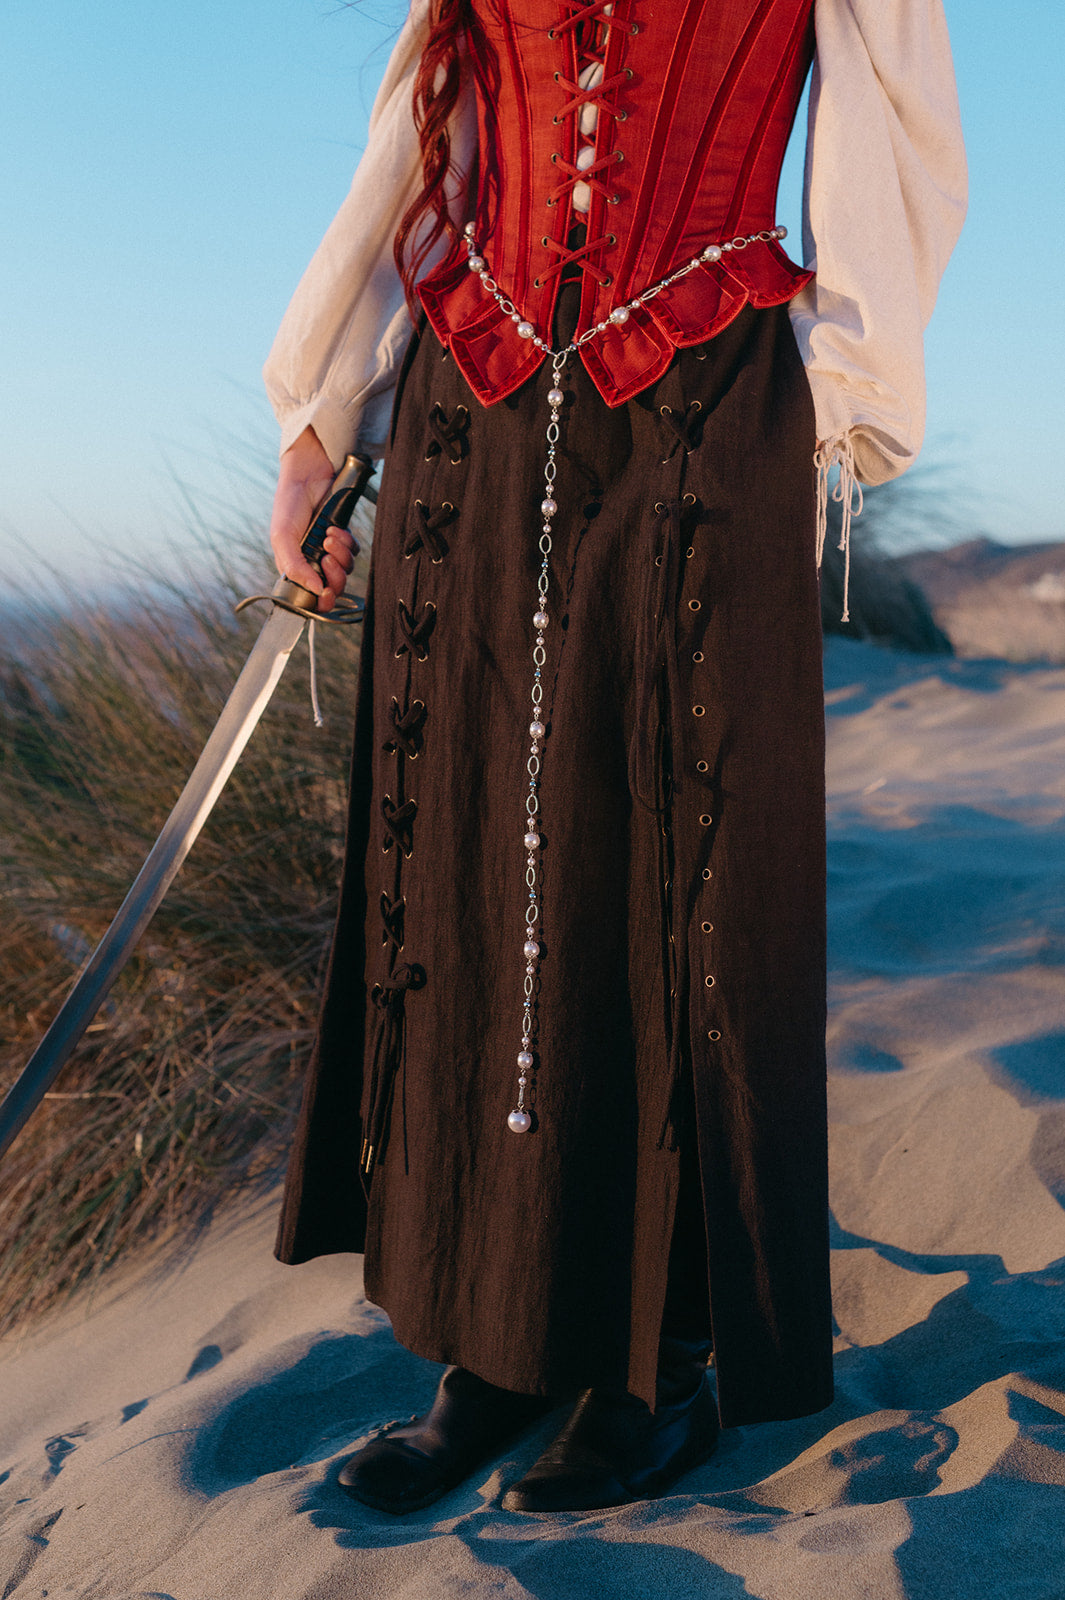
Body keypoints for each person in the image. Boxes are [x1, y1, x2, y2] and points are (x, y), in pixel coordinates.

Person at [264, 0, 966, 1516]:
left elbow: (892, 127)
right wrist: (324, 415)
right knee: (471, 865)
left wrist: (843, 393)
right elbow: (430, 140)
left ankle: (658, 1358)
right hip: (472, 401)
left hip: (706, 396)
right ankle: (489, 1345)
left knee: (668, 874)